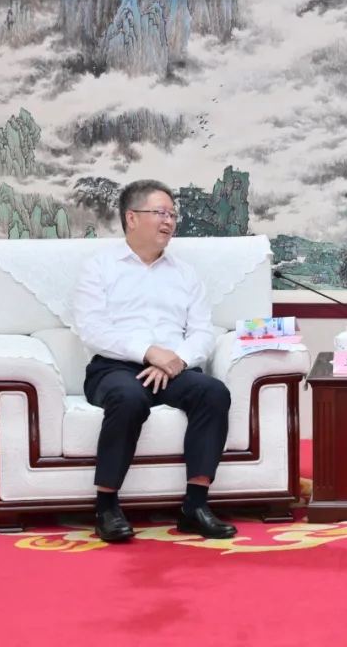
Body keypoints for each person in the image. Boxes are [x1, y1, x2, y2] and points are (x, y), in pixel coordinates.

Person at [72, 179, 238, 543]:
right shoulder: (99, 268)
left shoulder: (185, 273)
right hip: (114, 367)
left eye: (173, 214)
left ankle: (195, 506)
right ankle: (106, 506)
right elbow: (92, 330)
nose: (169, 221)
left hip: (175, 368)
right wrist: (148, 352)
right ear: (131, 218)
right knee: (128, 397)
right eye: (160, 213)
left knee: (213, 392)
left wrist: (176, 359)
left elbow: (202, 331)